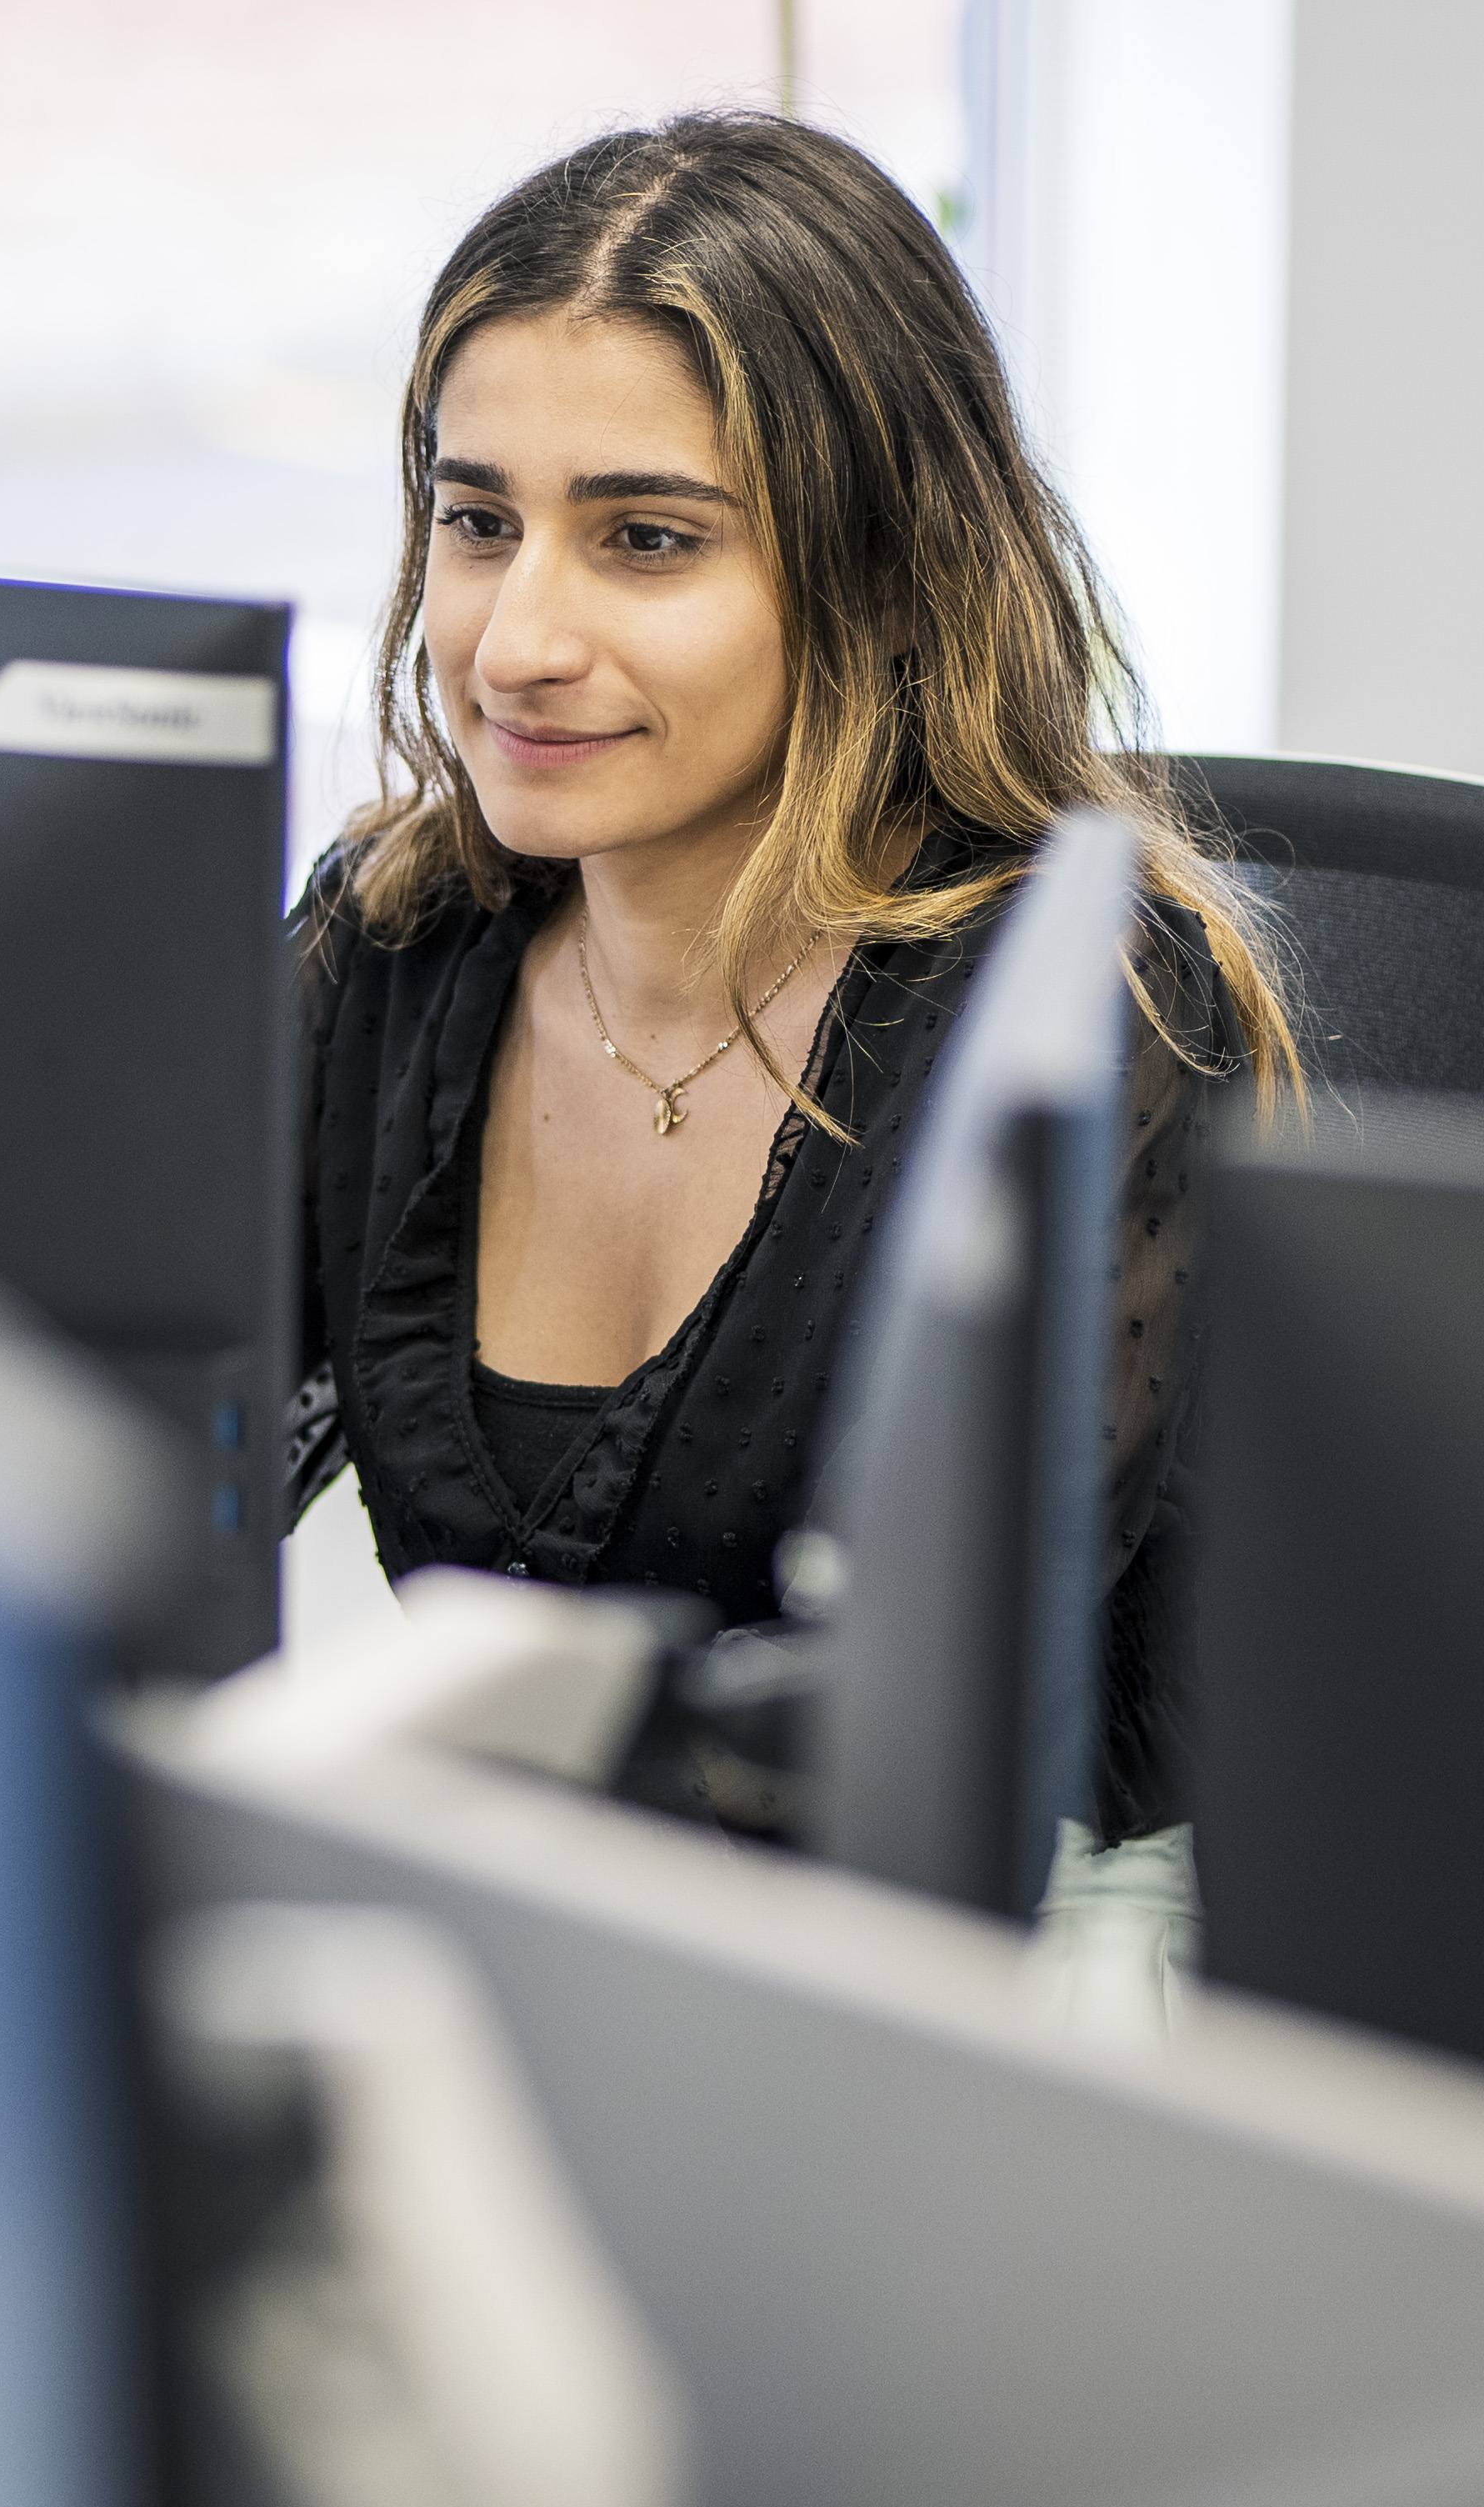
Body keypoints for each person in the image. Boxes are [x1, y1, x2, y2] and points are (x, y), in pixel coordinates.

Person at [290, 109, 1291, 1854]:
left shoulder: (1084, 1015)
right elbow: (124, 1428)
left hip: (1034, 1959)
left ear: (883, 578)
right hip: (559, 1935)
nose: (516, 639)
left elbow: (947, 1709)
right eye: (476, 521)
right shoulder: (392, 943)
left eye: (647, 540)